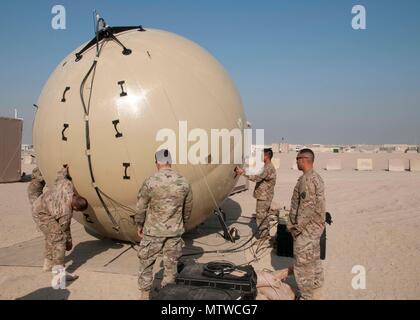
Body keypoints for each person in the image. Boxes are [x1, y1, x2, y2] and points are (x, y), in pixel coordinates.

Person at [135, 149, 193, 300]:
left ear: (157, 162)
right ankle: (168, 295)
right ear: (170, 162)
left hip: (152, 232)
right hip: (174, 232)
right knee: (171, 266)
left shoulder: (150, 181)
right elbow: (188, 208)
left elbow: (141, 207)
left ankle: (145, 294)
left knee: (146, 263)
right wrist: (182, 224)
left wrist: (139, 224)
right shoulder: (184, 181)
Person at [32, 166, 88, 279]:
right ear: (75, 207)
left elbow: (60, 178)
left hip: (40, 204)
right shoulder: (66, 211)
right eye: (77, 210)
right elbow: (64, 230)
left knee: (51, 235)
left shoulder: (68, 186)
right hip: (42, 214)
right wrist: (69, 242)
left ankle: (48, 264)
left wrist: (64, 169)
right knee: (59, 239)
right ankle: (59, 272)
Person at [288, 148, 326, 300]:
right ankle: (316, 283)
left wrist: (297, 229)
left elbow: (307, 208)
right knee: (314, 257)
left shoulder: (308, 180)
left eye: (297, 159)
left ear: (304, 159)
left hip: (306, 230)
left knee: (303, 264)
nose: (296, 161)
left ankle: (306, 295)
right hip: (315, 228)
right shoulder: (315, 177)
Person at [235, 148, 277, 240]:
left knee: (261, 216)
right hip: (265, 196)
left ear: (266, 156)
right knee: (264, 216)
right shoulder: (267, 166)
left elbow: (256, 178)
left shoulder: (268, 167)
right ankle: (265, 235)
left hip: (264, 197)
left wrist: (242, 173)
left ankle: (263, 237)